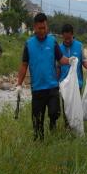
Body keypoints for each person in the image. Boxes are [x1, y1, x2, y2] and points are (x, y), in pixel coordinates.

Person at [16, 13, 70, 141]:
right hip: (37, 88)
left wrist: (71, 60)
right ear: (34, 27)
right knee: (37, 121)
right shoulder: (29, 44)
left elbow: (61, 59)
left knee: (54, 113)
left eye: (44, 27)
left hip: (52, 87)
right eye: (40, 28)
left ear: (47, 26)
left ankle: (53, 125)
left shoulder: (52, 42)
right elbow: (24, 65)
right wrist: (19, 84)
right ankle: (39, 141)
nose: (42, 31)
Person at [58, 24, 87, 127]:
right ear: (62, 36)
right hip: (64, 85)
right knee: (66, 108)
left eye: (69, 38)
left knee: (76, 107)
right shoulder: (59, 48)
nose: (67, 40)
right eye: (65, 38)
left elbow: (84, 61)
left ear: (72, 35)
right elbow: (57, 66)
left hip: (77, 84)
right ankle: (67, 127)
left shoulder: (79, 45)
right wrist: (56, 82)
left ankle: (77, 126)